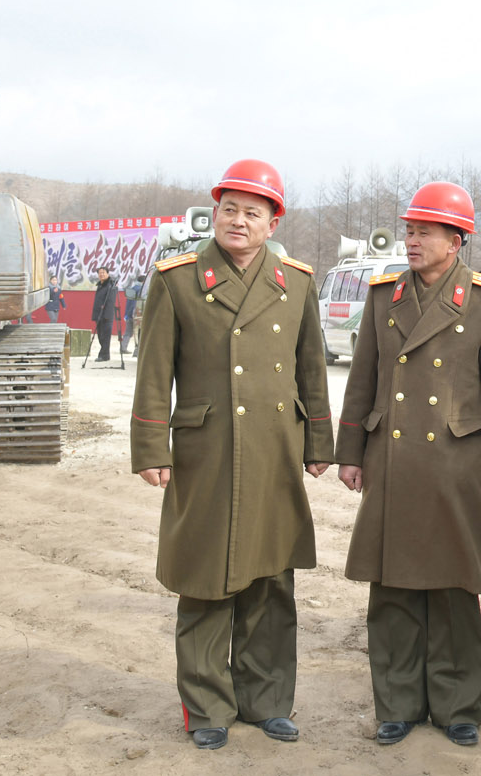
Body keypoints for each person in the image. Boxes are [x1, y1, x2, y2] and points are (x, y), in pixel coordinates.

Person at [130, 158, 334, 751]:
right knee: (205, 580)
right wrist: (150, 445)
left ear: (273, 222)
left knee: (272, 580)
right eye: (229, 209)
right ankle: (207, 707)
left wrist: (319, 441)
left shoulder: (295, 281)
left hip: (274, 449)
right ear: (213, 213)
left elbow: (311, 369)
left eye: (253, 212)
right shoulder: (177, 278)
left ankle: (268, 702)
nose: (238, 221)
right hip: (206, 451)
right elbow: (152, 374)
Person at [336, 181, 481, 749]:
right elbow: (363, 377)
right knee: (391, 588)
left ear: (457, 239)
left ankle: (458, 705)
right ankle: (396, 703)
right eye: (410, 230)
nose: (412, 241)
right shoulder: (383, 294)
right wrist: (349, 452)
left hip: (455, 461)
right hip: (391, 459)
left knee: (452, 588)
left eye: (425, 232)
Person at [90, 265, 116, 360]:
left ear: (107, 274)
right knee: (101, 336)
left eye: (103, 273)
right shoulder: (100, 285)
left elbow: (110, 302)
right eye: (100, 273)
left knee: (105, 337)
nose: (101, 274)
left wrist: (106, 316)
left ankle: (104, 355)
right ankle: (104, 355)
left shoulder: (110, 285)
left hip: (106, 316)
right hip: (98, 315)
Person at [121, 273, 144, 353]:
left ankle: (123, 347)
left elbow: (128, 303)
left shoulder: (131, 289)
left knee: (128, 332)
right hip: (136, 314)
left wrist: (127, 314)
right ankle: (137, 350)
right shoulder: (141, 290)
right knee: (138, 333)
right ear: (143, 282)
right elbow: (136, 303)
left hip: (129, 314)